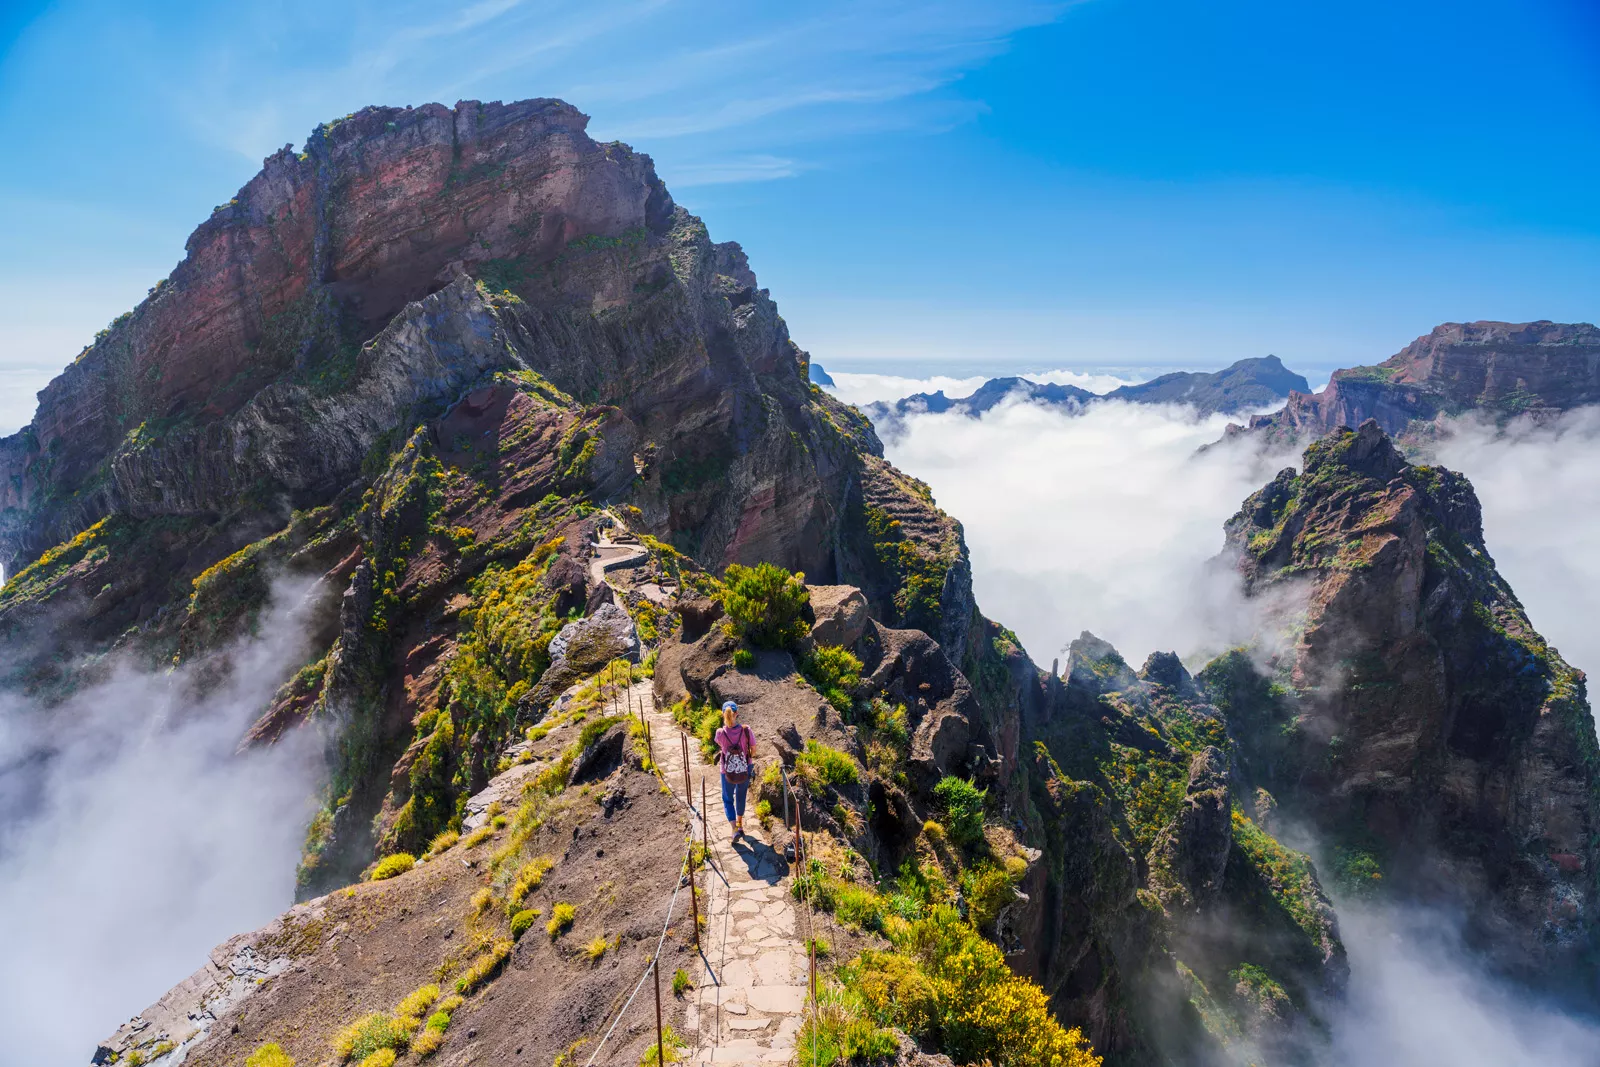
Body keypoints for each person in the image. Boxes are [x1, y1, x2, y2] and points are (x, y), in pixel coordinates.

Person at [714, 700, 757, 842]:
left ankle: (733, 829)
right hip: (745, 767)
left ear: (723, 714)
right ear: (736, 713)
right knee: (741, 795)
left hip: (727, 770)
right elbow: (754, 750)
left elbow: (722, 747)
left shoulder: (720, 732)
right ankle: (740, 825)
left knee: (727, 799)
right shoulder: (746, 730)